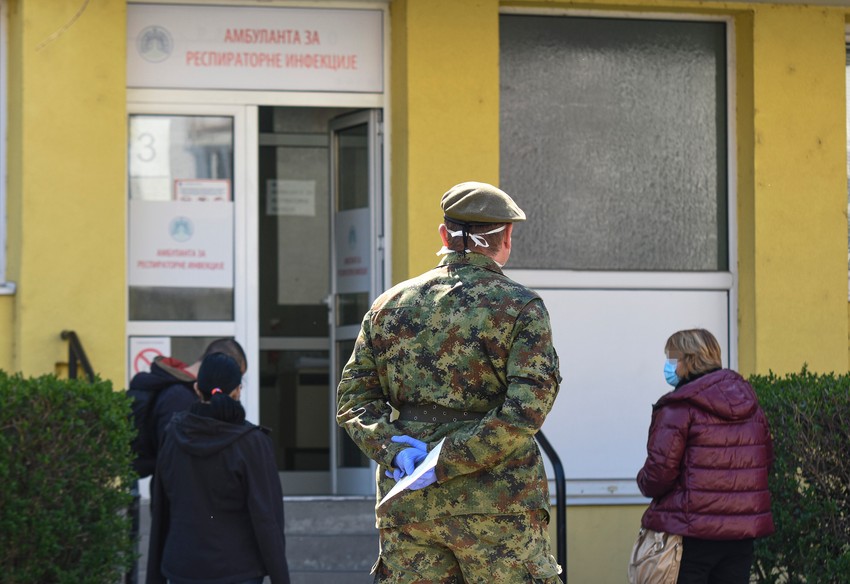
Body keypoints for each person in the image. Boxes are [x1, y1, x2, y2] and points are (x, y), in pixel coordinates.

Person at [336, 181, 563, 583]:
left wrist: (395, 450)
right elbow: (527, 408)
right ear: (506, 238)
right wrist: (448, 459)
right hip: (498, 504)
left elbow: (355, 401)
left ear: (445, 235)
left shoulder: (388, 306)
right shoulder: (520, 306)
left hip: (411, 505)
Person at [636, 328, 775, 584]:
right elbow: (765, 462)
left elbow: (659, 473)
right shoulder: (750, 405)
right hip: (740, 534)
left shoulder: (679, 407)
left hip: (692, 532)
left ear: (689, 360)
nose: (668, 366)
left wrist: (643, 481)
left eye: (672, 358)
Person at [146, 352, 290, 584]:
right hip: (238, 570)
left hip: (182, 568)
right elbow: (267, 519)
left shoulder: (172, 435)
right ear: (237, 391)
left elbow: (161, 506)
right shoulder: (252, 443)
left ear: (196, 388)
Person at [129, 338, 247, 477]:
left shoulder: (182, 390)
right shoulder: (180, 396)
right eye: (237, 376)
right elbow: (173, 459)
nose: (236, 387)